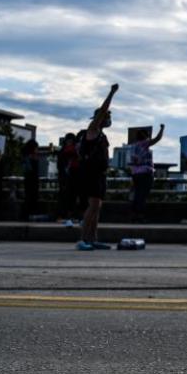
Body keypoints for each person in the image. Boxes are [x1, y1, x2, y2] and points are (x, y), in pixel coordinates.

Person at [76, 83, 118, 251]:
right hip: (91, 173)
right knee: (92, 206)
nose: (108, 119)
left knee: (97, 207)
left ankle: (92, 239)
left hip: (99, 174)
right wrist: (111, 93)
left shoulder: (101, 134)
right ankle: (83, 239)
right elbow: (102, 110)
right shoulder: (93, 129)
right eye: (106, 116)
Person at [129, 124, 164, 223]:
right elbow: (157, 138)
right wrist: (162, 128)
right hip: (145, 173)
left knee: (137, 194)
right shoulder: (145, 143)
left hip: (136, 173)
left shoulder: (133, 146)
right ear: (145, 136)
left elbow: (133, 161)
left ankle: (134, 215)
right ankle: (140, 216)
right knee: (143, 195)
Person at [56, 133, 80, 227]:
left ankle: (71, 215)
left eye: (71, 140)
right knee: (64, 196)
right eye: (68, 140)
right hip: (65, 177)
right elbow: (60, 165)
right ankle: (63, 215)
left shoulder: (76, 151)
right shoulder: (63, 151)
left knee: (72, 197)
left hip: (73, 177)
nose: (69, 142)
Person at [21, 139, 40, 221]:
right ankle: (28, 215)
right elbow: (30, 169)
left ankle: (28, 215)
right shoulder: (30, 157)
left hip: (29, 179)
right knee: (31, 198)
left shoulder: (27, 156)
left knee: (29, 197)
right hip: (31, 180)